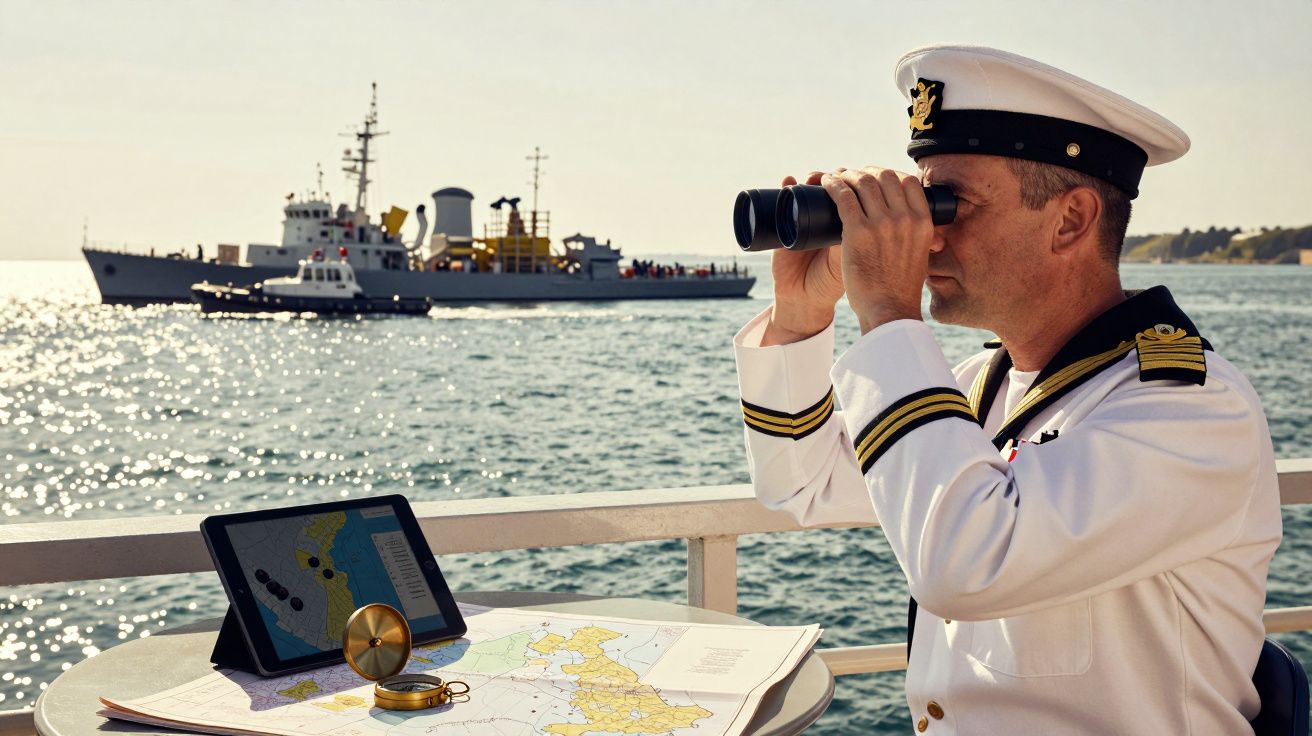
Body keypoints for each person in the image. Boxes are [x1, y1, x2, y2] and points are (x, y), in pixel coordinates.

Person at [733, 44, 1281, 734]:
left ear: (1071, 221)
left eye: (948, 206)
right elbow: (801, 486)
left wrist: (889, 316)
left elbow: (966, 564)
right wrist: (800, 318)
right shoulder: (980, 388)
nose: (925, 239)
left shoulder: (1192, 412)